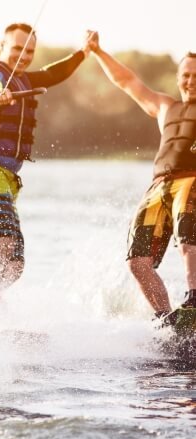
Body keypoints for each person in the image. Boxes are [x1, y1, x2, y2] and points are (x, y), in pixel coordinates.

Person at [0, 23, 95, 293]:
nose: (23, 55)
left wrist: (83, 52)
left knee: (14, 263)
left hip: (8, 181)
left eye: (29, 51)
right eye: (17, 48)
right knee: (2, 244)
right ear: (2, 46)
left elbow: (53, 73)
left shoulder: (25, 79)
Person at [88, 33, 196, 323]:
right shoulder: (165, 107)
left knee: (188, 241)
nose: (191, 81)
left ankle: (195, 299)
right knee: (138, 260)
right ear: (178, 78)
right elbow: (127, 82)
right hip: (158, 187)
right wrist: (98, 51)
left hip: (192, 181)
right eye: (186, 75)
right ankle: (167, 319)